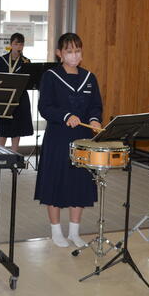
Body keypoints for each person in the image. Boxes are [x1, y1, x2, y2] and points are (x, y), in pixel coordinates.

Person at [34, 33, 102, 248]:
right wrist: (65, 116)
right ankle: (56, 231)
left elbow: (95, 105)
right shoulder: (50, 76)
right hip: (58, 138)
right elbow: (45, 107)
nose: (74, 55)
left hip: (83, 139)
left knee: (80, 184)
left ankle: (74, 232)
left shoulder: (89, 77)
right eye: (69, 51)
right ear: (59, 54)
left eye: (77, 51)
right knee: (55, 183)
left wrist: (94, 119)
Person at [0, 33, 34, 152]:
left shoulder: (26, 62)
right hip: (5, 97)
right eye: (16, 44)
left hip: (20, 98)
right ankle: (0, 153)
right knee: (3, 128)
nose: (19, 47)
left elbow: (30, 81)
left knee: (17, 128)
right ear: (11, 45)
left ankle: (14, 154)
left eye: (21, 44)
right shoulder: (1, 60)